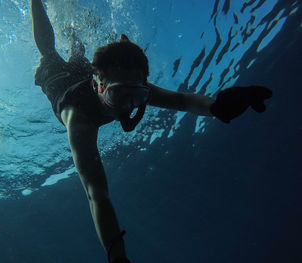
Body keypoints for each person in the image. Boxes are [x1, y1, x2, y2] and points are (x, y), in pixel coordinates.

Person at [30, 1, 272, 262]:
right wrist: (117, 258)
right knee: (49, 53)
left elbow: (182, 101)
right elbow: (96, 194)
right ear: (98, 84)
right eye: (118, 95)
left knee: (77, 47)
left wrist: (219, 106)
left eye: (136, 95)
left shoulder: (131, 85)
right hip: (60, 83)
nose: (127, 106)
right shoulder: (80, 120)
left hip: (89, 75)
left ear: (142, 86)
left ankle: (69, 26)